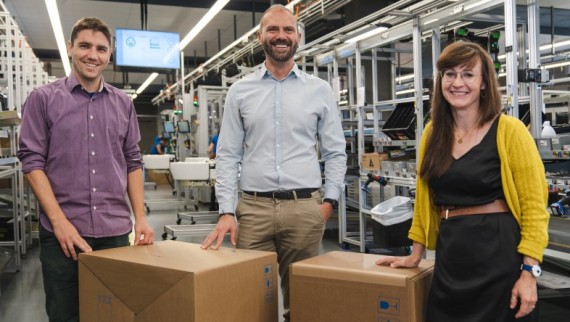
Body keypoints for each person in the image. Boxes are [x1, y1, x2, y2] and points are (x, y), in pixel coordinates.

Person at [376, 41, 549, 322]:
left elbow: (534, 207)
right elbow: (424, 199)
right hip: (451, 257)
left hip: (499, 258)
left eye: (468, 74)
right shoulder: (433, 133)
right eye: (450, 74)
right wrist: (415, 253)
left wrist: (530, 273)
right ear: (441, 81)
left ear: (484, 83)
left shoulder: (510, 131)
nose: (458, 82)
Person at [200, 5, 347, 321]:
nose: (281, 36)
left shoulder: (319, 91)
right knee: (251, 300)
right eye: (273, 30)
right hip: (254, 211)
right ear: (260, 37)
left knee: (303, 301)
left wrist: (329, 202)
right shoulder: (240, 92)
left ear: (298, 37)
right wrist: (227, 210)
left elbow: (336, 152)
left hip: (304, 209)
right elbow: (227, 155)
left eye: (288, 30)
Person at [17, 17, 154, 322]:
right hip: (63, 234)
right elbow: (32, 163)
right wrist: (59, 222)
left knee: (114, 314)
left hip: (115, 232)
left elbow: (133, 161)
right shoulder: (42, 100)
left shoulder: (123, 104)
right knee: (65, 314)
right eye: (85, 46)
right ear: (70, 48)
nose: (93, 55)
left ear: (109, 55)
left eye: (101, 49)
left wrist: (141, 218)